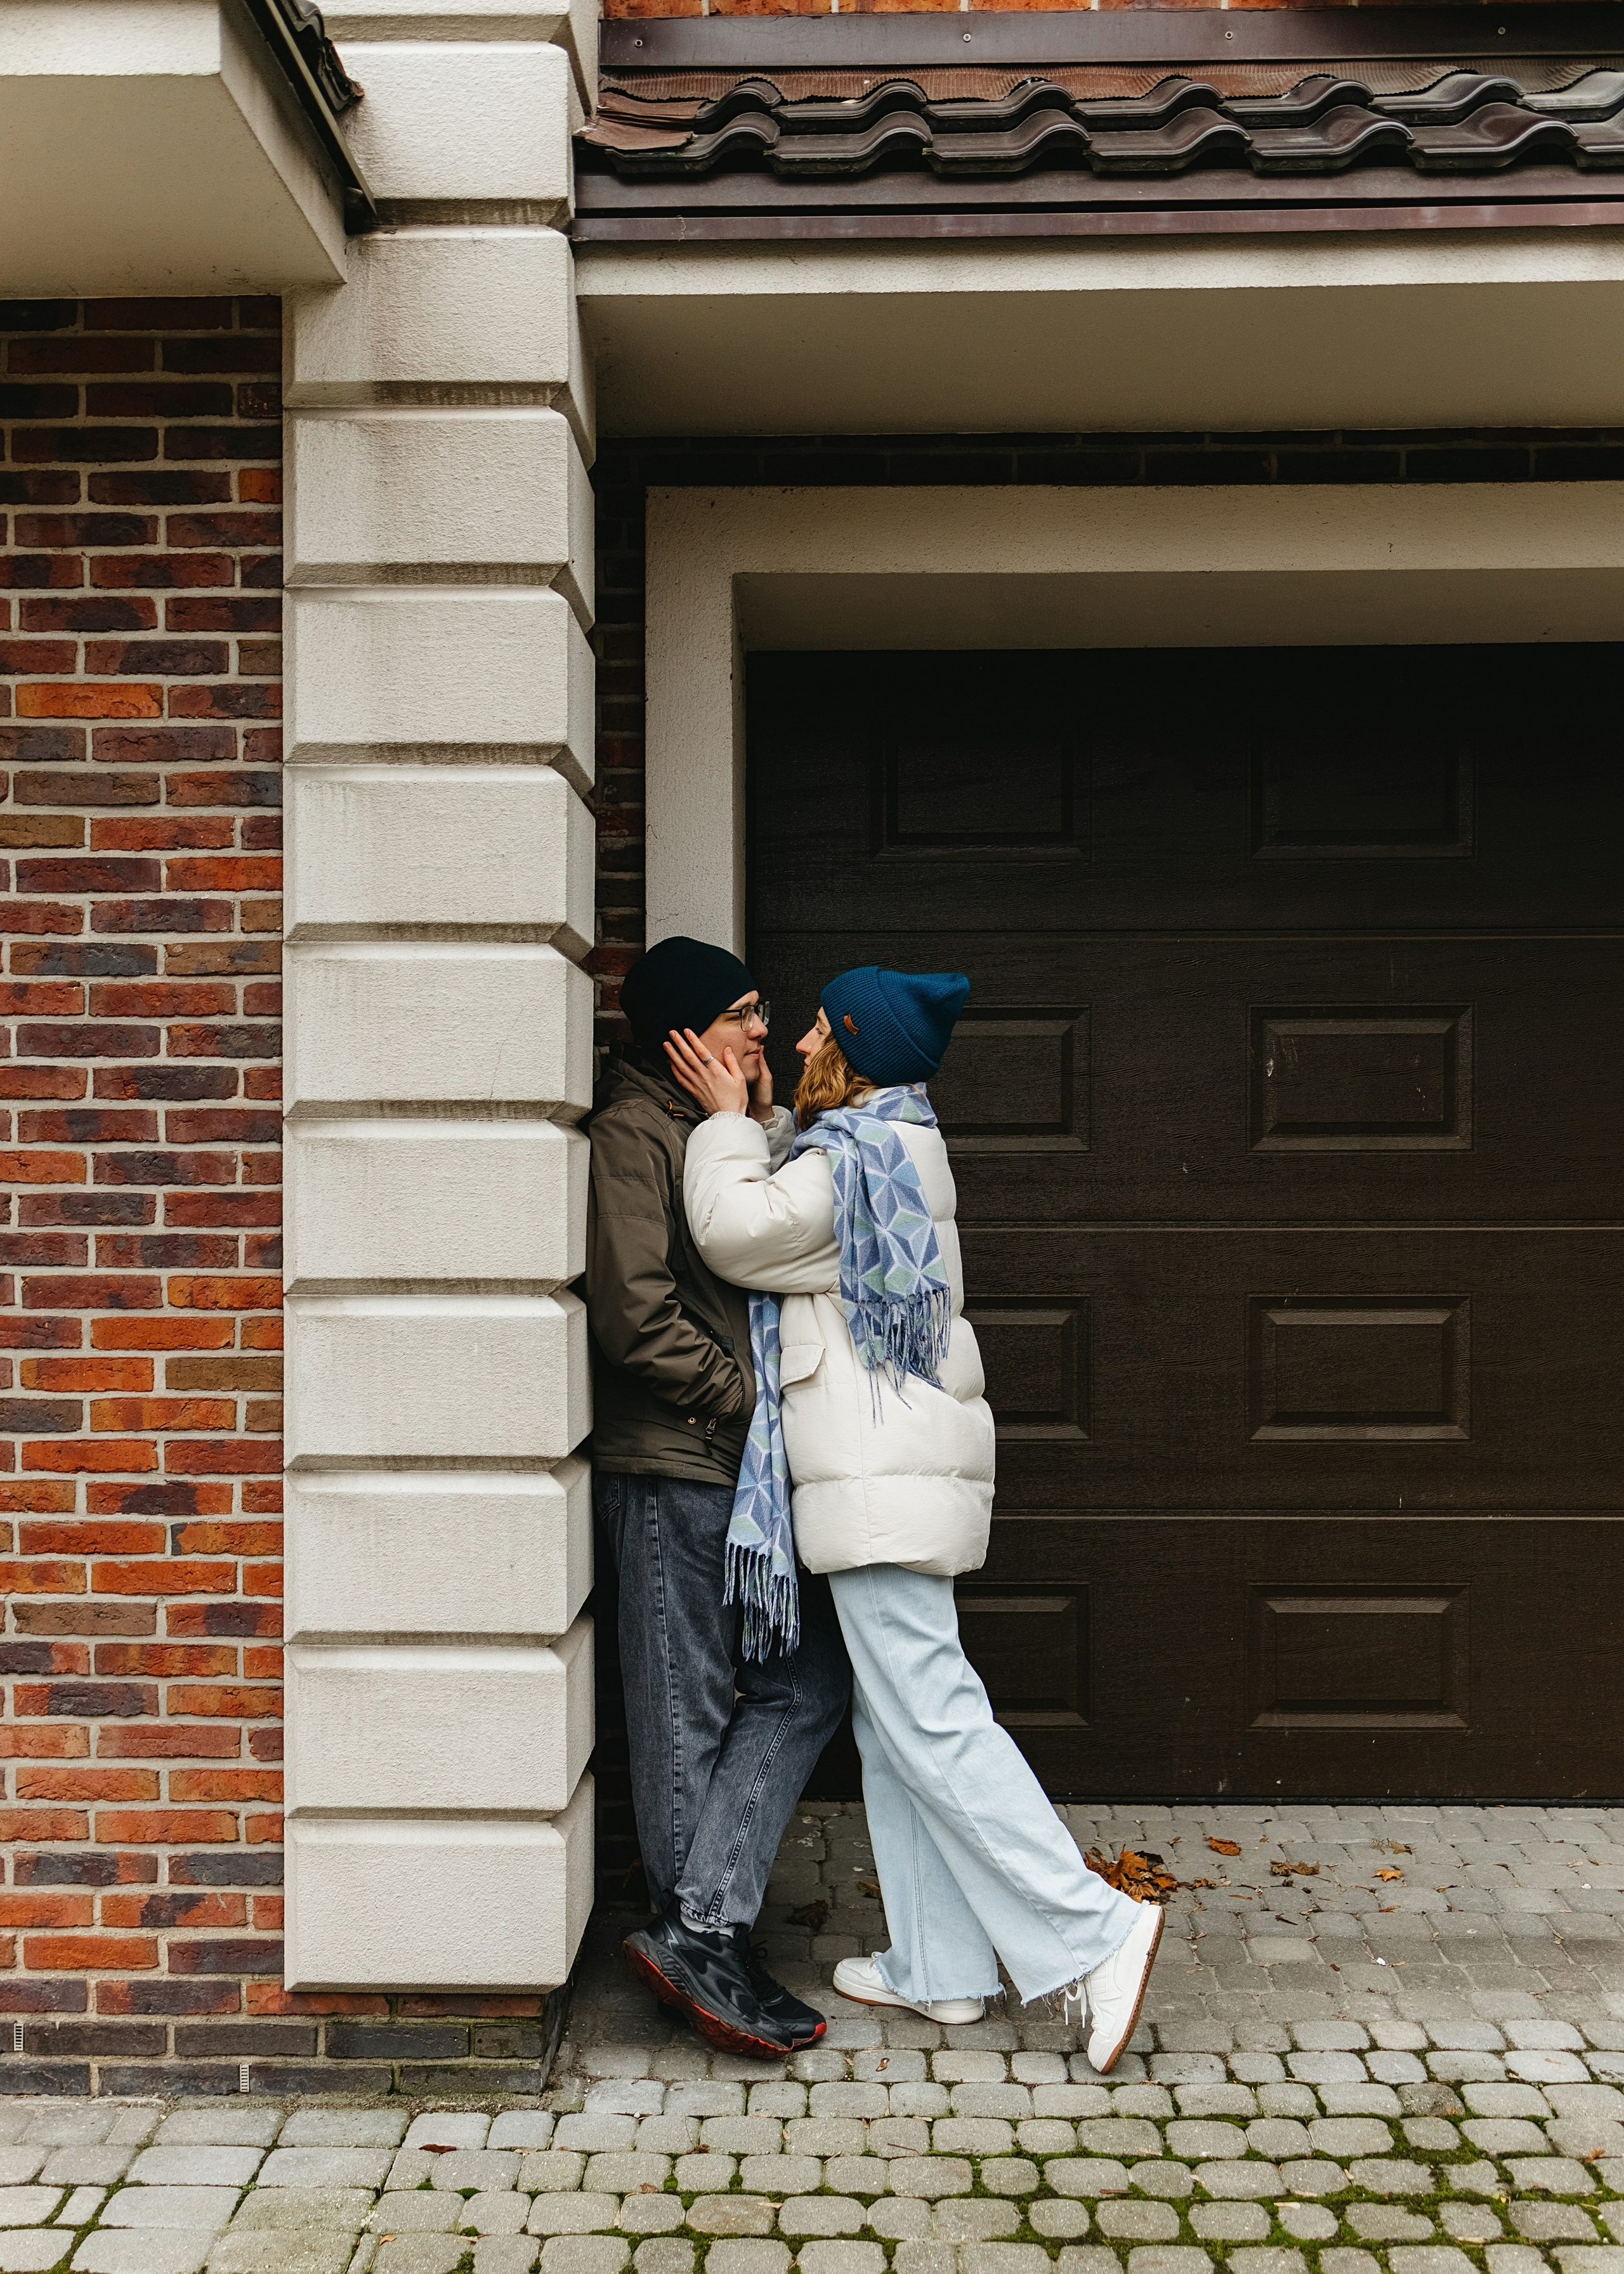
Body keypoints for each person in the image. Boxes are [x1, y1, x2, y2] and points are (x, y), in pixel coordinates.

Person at [665, 966, 1162, 2073]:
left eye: (815, 1029)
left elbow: (735, 1233)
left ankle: (1094, 1929)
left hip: (881, 1482)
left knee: (932, 1717)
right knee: (897, 1730)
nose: (793, 1041)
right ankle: (940, 1971)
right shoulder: (886, 1145)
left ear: (851, 1050)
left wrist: (725, 1123)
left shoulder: (855, 1163)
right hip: (891, 1475)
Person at [585, 935, 851, 2059]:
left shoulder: (718, 1133)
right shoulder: (634, 1134)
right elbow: (636, 1314)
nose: (760, 1031)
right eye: (742, 1013)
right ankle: (705, 1937)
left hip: (736, 1469)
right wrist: (753, 1401)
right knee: (685, 1708)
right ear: (686, 1033)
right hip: (679, 1462)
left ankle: (707, 1921)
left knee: (808, 1678)